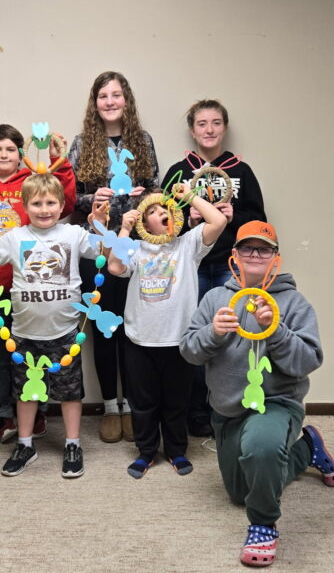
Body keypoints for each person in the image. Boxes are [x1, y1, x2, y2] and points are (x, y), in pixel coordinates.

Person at [179, 221, 334, 567]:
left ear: (275, 258)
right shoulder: (215, 299)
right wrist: (212, 333)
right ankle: (307, 448)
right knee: (241, 493)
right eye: (247, 248)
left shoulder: (295, 303)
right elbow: (189, 351)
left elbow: (308, 360)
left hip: (276, 403)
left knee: (262, 449)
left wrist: (275, 331)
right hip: (227, 409)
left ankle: (264, 526)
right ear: (234, 256)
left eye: (264, 249)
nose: (255, 254)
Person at [0, 173, 106, 478]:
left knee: (70, 393)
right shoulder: (14, 238)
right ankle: (25, 444)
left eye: (51, 203)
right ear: (25, 206)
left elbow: (103, 252)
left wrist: (99, 224)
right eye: (37, 204)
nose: (44, 209)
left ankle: (73, 444)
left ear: (62, 204)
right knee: (26, 393)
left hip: (65, 332)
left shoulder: (73, 234)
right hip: (24, 334)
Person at [0, 124, 76, 444]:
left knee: (37, 356)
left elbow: (66, 201)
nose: (4, 155)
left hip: (35, 289)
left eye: (10, 149)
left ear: (21, 154)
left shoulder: (34, 183)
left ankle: (38, 411)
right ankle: (0, 414)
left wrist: (60, 160)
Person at [163, 99, 267, 438]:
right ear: (192, 130)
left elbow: (260, 224)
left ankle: (224, 408)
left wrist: (234, 217)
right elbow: (160, 223)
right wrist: (189, 218)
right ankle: (193, 411)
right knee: (194, 335)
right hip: (190, 267)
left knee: (230, 334)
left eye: (216, 123)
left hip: (228, 267)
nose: (209, 129)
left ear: (224, 128)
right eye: (202, 123)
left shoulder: (241, 171)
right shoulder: (178, 172)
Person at [106, 186, 226, 478]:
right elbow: (114, 267)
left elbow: (218, 221)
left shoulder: (188, 245)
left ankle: (176, 450)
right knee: (143, 403)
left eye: (166, 208)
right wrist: (124, 229)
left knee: (176, 401)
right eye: (153, 210)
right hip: (140, 339)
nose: (163, 212)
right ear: (144, 223)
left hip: (179, 340)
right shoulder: (135, 248)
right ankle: (146, 452)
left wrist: (189, 196)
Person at [68, 71, 160, 443]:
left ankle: (134, 407)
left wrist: (141, 196)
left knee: (133, 326)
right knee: (105, 327)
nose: (110, 101)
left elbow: (156, 190)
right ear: (95, 102)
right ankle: (109, 406)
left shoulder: (143, 140)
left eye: (116, 95)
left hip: (136, 245)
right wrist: (95, 198)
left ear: (126, 100)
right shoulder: (81, 143)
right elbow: (69, 199)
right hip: (97, 246)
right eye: (103, 96)